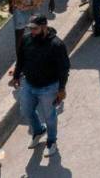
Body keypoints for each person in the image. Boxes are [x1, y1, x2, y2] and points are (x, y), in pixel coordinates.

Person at [10, 15, 69, 158]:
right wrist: (16, 75)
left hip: (48, 87)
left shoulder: (56, 45)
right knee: (26, 110)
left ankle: (51, 141)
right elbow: (21, 59)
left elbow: (64, 68)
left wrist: (61, 89)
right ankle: (38, 131)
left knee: (49, 116)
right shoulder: (26, 39)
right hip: (29, 85)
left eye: (35, 29)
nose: (32, 32)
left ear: (44, 26)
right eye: (30, 28)